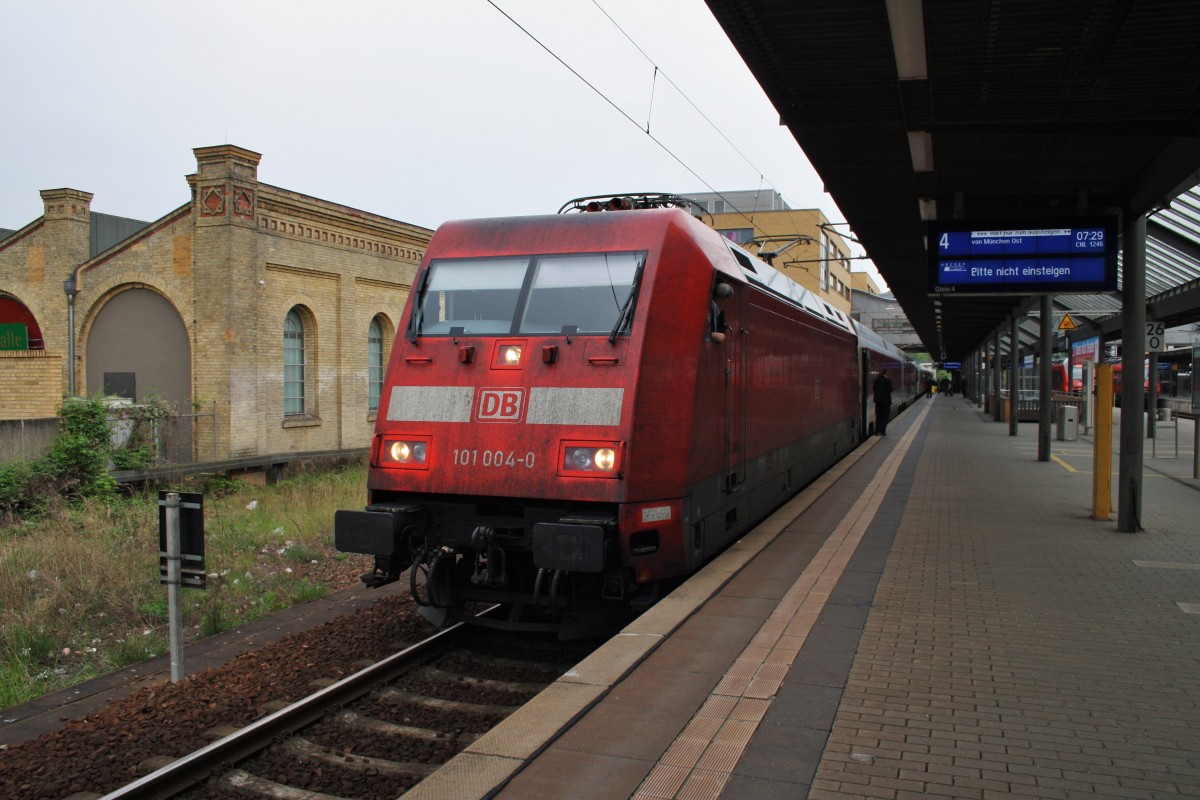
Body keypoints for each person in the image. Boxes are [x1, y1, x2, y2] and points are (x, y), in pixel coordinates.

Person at [873, 368, 893, 435]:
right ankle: (882, 431)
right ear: (886, 373)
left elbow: (874, 389)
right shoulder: (887, 380)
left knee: (878, 416)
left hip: (878, 402)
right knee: (885, 416)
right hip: (886, 402)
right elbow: (890, 389)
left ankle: (877, 431)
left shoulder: (877, 380)